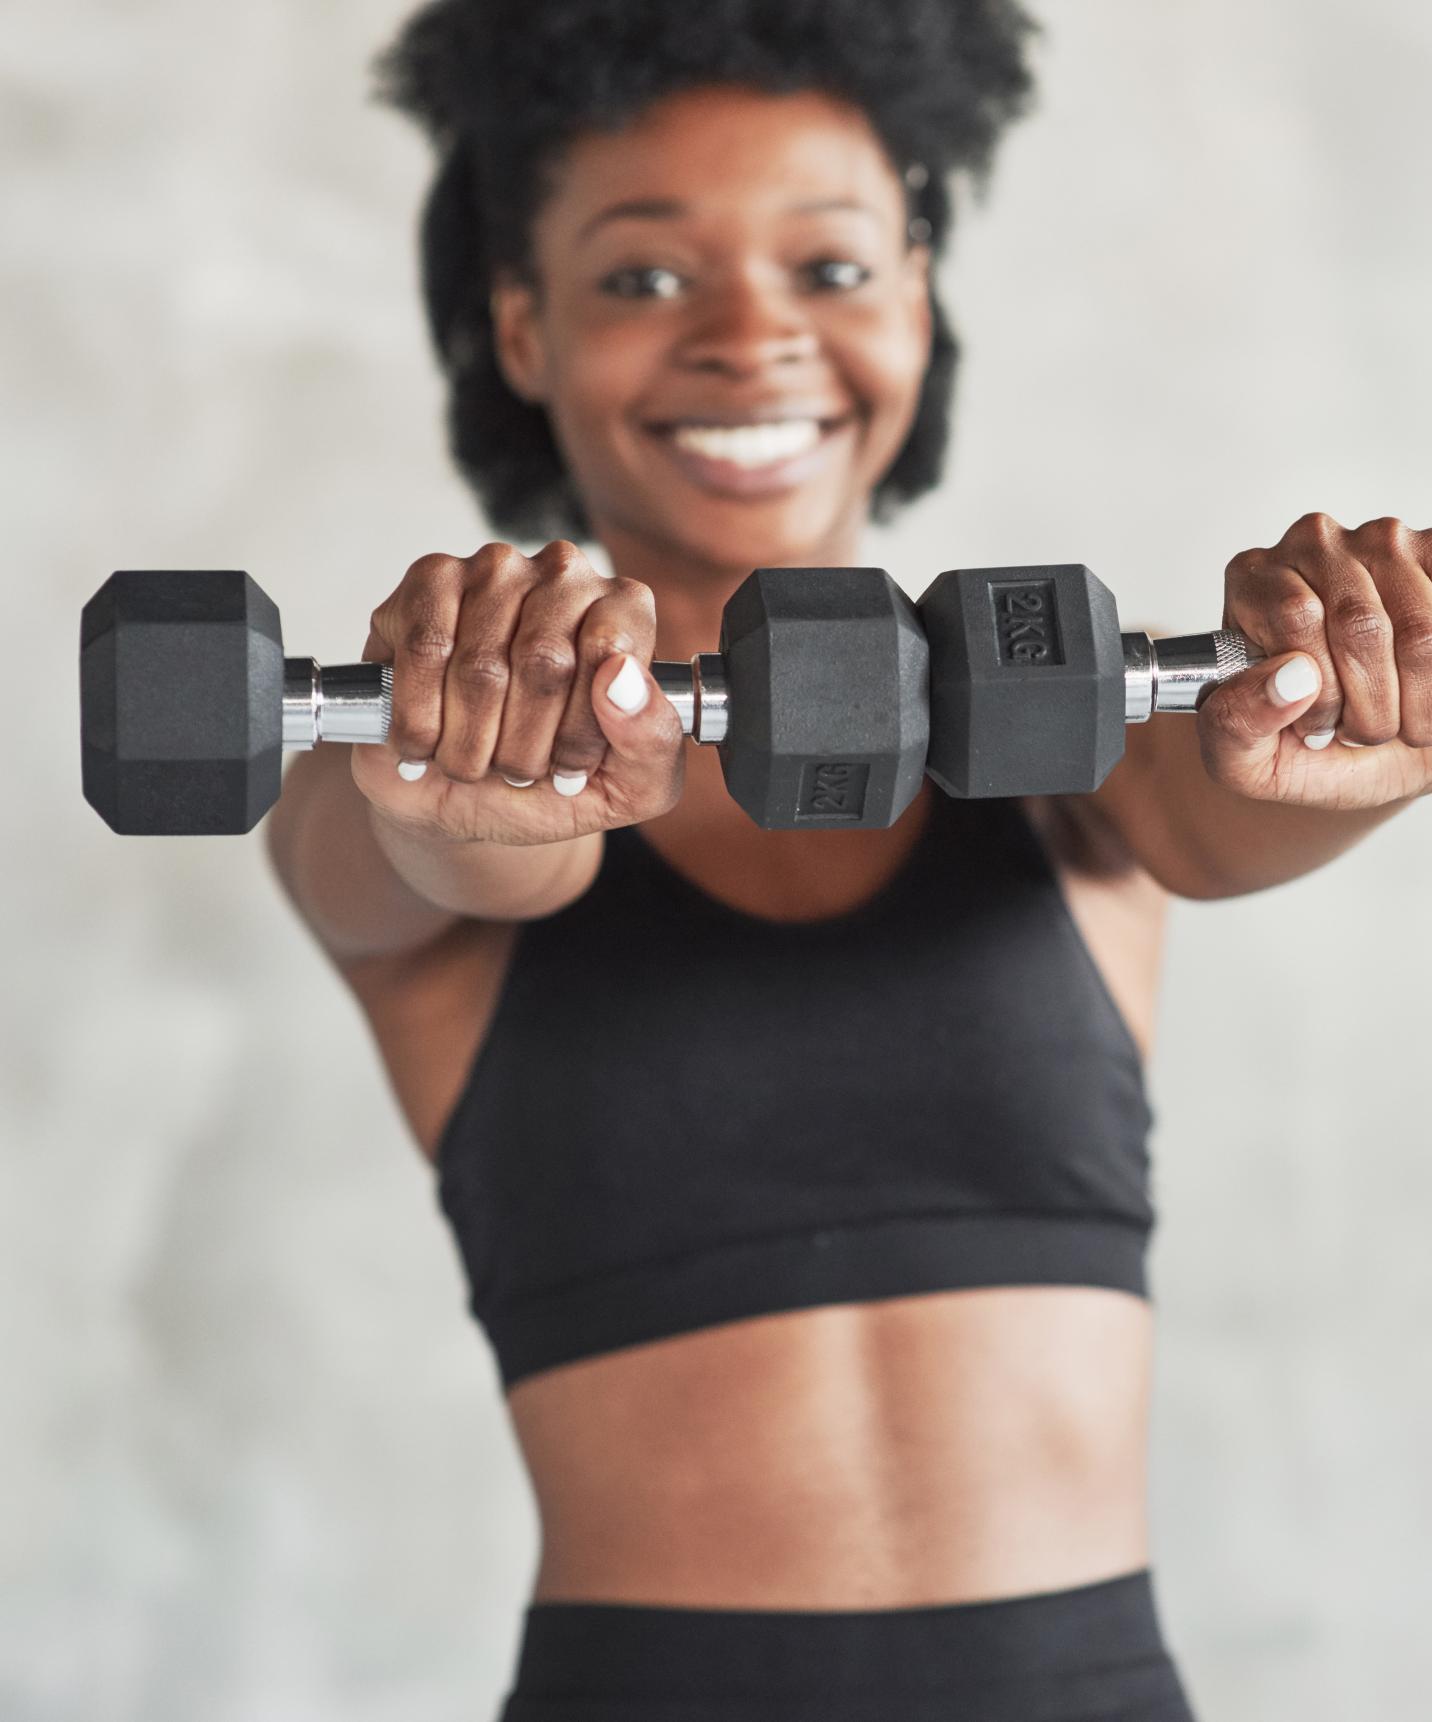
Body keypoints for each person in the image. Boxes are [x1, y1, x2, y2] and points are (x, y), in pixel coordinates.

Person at [265, 3, 1432, 1717]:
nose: (751, 340)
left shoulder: (1085, 721)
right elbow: (423, 857)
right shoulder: (388, 753)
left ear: (918, 290)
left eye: (829, 265)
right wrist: (457, 798)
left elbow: (1230, 798)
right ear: (523, 325)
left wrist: (1360, 736)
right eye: (646, 278)